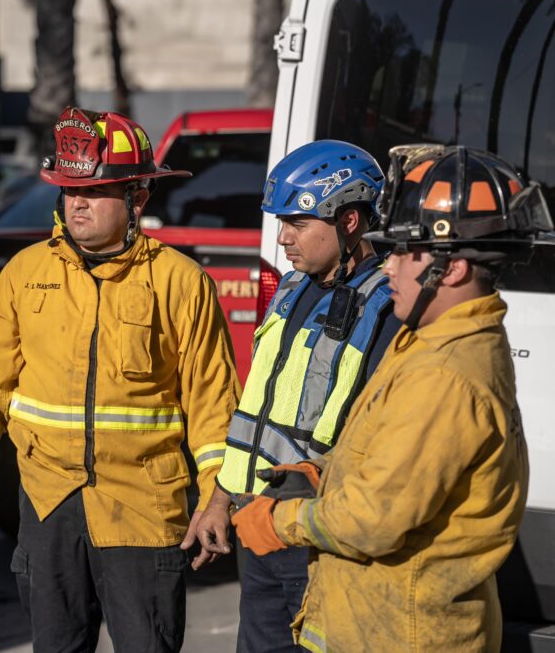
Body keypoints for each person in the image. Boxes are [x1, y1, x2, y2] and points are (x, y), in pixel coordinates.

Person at [0, 107, 240, 652]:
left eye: (95, 191)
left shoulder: (180, 283)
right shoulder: (26, 274)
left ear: (137, 199)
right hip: (49, 507)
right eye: (70, 189)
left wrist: (216, 499)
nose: (77, 202)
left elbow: (213, 406)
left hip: (144, 512)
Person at [230, 145, 550, 652]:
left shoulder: (445, 375)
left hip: (407, 633)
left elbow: (371, 520)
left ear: (454, 270)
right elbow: (386, 453)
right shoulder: (431, 339)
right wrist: (322, 472)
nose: (390, 267)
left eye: (404, 252)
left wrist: (277, 522)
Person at [185, 140, 402, 652]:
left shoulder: (388, 309)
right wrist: (219, 500)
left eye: (298, 224)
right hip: (258, 527)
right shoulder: (289, 289)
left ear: (349, 221)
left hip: (318, 540)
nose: (283, 238)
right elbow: (253, 414)